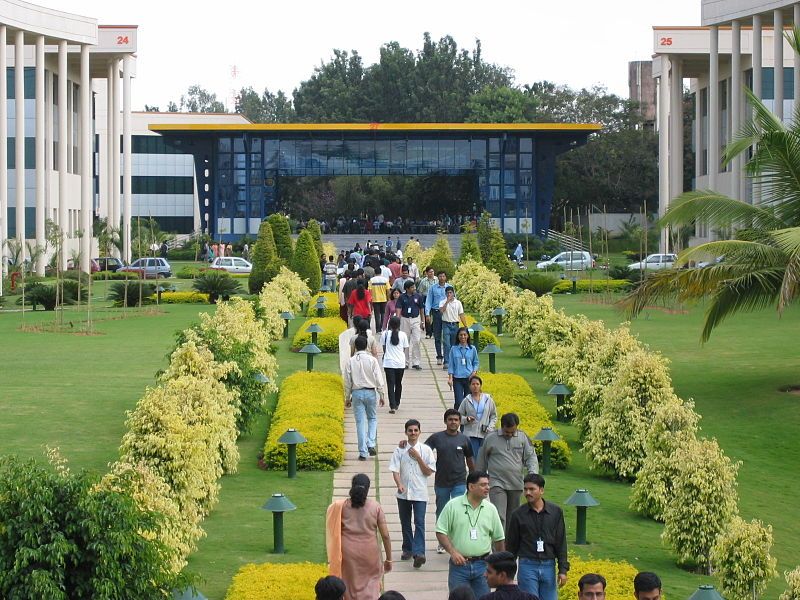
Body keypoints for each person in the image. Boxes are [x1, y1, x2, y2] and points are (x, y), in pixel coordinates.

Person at [436, 470, 506, 598]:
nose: (487, 488)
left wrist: (500, 564)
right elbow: (440, 531)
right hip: (459, 565)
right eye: (483, 485)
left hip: (483, 566)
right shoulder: (452, 506)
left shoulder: (491, 509)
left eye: (488, 484)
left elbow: (499, 539)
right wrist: (453, 552)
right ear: (471, 487)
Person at [325, 474, 392, 600]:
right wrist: (388, 559)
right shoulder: (375, 507)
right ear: (367, 489)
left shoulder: (341, 506)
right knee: (371, 584)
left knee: (349, 584)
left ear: (352, 486)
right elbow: (386, 535)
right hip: (370, 554)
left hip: (348, 554)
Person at [506, 474, 569, 600]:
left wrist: (562, 570)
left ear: (541, 490)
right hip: (527, 565)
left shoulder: (556, 512)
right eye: (525, 489)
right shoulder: (518, 514)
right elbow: (511, 546)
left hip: (549, 566)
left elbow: (561, 542)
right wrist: (508, 573)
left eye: (532, 489)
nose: (527, 492)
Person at [476, 413, 539, 529]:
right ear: (502, 426)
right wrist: (479, 480)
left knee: (513, 517)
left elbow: (531, 457)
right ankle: (498, 546)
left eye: (512, 432)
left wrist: (533, 475)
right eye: (507, 432)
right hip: (496, 483)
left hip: (516, 484)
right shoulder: (490, 438)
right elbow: (481, 459)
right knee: (499, 516)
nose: (510, 435)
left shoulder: (522, 437)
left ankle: (510, 545)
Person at [425, 409, 475, 552]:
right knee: (442, 512)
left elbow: (470, 459)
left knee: (459, 512)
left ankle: (459, 541)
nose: (453, 422)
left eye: (456, 420)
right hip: (441, 482)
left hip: (459, 481)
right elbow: (423, 450)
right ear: (445, 421)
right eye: (450, 419)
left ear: (460, 422)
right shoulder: (436, 438)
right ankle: (443, 542)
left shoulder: (464, 439)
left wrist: (473, 477)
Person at [389, 419, 436, 569]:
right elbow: (395, 470)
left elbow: (428, 472)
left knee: (420, 522)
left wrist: (418, 457)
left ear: (420, 432)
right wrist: (399, 484)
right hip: (403, 493)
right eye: (410, 430)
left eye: (416, 430)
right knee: (405, 522)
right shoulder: (399, 449)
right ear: (406, 432)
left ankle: (419, 552)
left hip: (420, 493)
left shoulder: (426, 450)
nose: (413, 433)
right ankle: (407, 549)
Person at [343, 336, 386, 461]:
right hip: (370, 392)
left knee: (360, 422)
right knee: (372, 418)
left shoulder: (350, 361)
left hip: (356, 393)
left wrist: (347, 397)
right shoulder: (372, 360)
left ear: (355, 347)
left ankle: (363, 452)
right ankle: (371, 443)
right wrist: (381, 394)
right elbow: (378, 378)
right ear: (366, 345)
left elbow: (347, 381)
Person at [458, 376, 498, 457]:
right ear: (469, 386)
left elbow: (494, 416)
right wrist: (467, 419)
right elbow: (458, 417)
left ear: (480, 386)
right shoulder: (466, 400)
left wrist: (490, 427)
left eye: (477, 384)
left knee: (484, 458)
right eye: (473, 384)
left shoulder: (488, 399)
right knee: (474, 457)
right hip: (471, 434)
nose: (475, 386)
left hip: (485, 433)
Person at [381, 316, 409, 413]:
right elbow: (404, 349)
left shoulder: (385, 334)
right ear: (399, 325)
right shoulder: (403, 335)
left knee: (390, 384)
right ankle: (397, 402)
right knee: (398, 383)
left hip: (388, 363)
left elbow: (384, 348)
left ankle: (392, 405)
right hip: (400, 363)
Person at [448, 328, 480, 410]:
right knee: (459, 401)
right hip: (457, 378)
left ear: (468, 336)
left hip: (469, 378)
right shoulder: (453, 349)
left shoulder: (472, 349)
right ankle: (457, 417)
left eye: (464, 335)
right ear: (458, 336)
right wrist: (450, 378)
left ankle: (466, 419)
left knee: (468, 401)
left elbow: (476, 362)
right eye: (461, 335)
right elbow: (451, 364)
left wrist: (474, 372)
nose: (463, 337)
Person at [396, 280, 424, 370]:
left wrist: (422, 321)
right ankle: (405, 362)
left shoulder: (418, 296)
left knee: (416, 340)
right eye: (412, 287)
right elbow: (399, 308)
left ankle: (416, 362)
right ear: (407, 289)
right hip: (405, 319)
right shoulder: (401, 297)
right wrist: (397, 320)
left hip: (415, 319)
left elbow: (421, 309)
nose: (414, 288)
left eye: (414, 287)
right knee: (405, 341)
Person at [425, 271, 450, 365]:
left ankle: (447, 357)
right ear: (437, 277)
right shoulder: (433, 288)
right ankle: (439, 356)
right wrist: (427, 314)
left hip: (447, 313)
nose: (442, 278)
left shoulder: (449, 287)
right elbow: (428, 301)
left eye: (443, 276)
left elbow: (454, 300)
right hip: (436, 313)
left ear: (446, 277)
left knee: (447, 336)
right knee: (437, 335)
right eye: (440, 276)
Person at [441, 286, 469, 371]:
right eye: (447, 293)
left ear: (453, 293)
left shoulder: (458, 303)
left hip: (455, 324)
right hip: (446, 324)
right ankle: (446, 362)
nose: (449, 294)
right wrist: (447, 302)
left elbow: (461, 314)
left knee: (455, 344)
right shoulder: (442, 302)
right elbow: (441, 311)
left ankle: (454, 361)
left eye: (450, 292)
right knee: (446, 343)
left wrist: (465, 325)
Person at [417, 267, 436, 338]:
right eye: (430, 272)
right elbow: (420, 292)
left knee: (435, 315)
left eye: (432, 272)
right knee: (427, 316)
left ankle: (433, 331)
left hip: (435, 299)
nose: (431, 273)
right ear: (427, 273)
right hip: (426, 298)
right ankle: (428, 333)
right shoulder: (423, 281)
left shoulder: (436, 279)